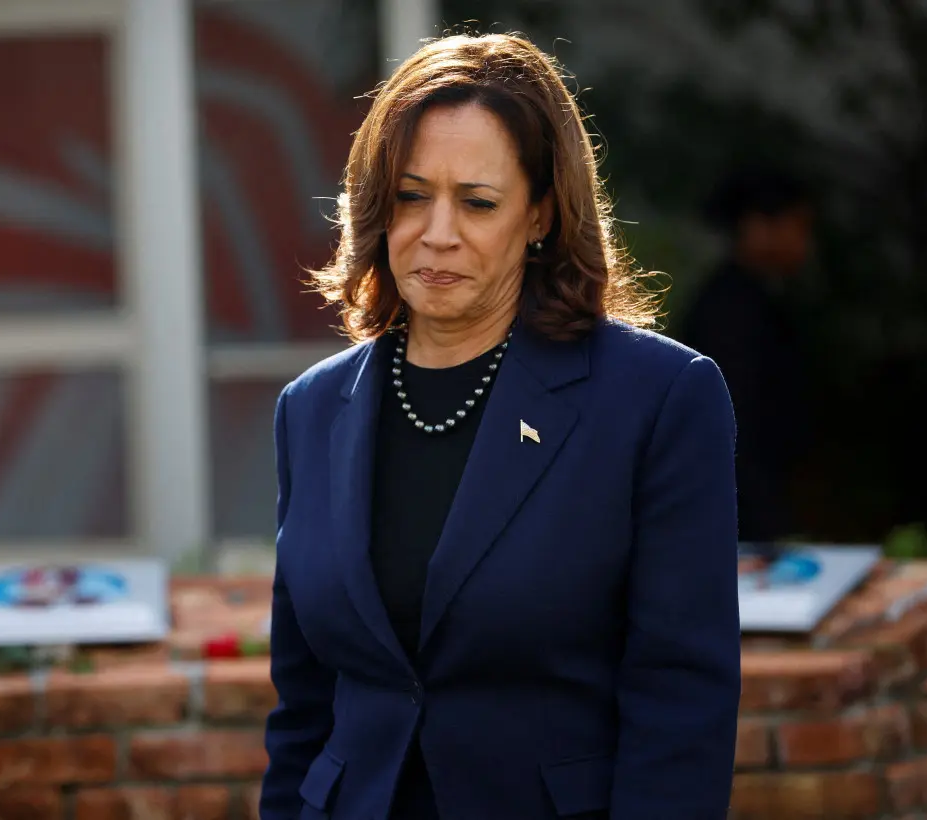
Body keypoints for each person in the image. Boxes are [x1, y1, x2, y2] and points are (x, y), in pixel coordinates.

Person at [260, 33, 741, 820]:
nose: (437, 232)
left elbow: (681, 700)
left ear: (541, 214)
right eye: (411, 196)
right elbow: (303, 708)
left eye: (477, 202)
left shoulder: (658, 398)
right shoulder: (310, 411)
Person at [681, 166, 813, 544]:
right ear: (758, 226)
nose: (805, 243)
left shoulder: (758, 299)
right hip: (743, 525)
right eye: (798, 226)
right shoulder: (729, 311)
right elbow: (735, 428)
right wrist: (771, 528)